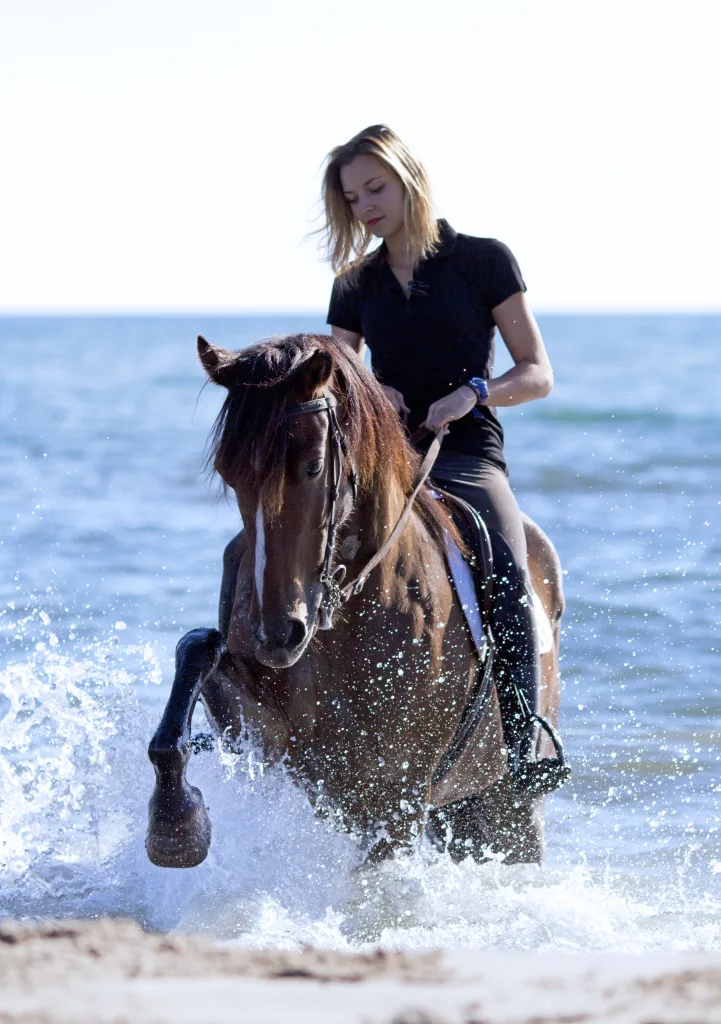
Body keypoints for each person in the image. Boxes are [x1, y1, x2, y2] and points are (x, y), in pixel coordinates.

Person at [321, 124, 568, 795]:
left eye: (376, 187)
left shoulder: (484, 260)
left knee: (507, 571)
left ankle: (522, 739)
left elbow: (537, 373)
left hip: (465, 453)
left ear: (408, 180)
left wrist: (473, 392)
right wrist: (371, 389)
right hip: (382, 454)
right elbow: (334, 376)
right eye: (352, 196)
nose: (365, 204)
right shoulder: (355, 283)